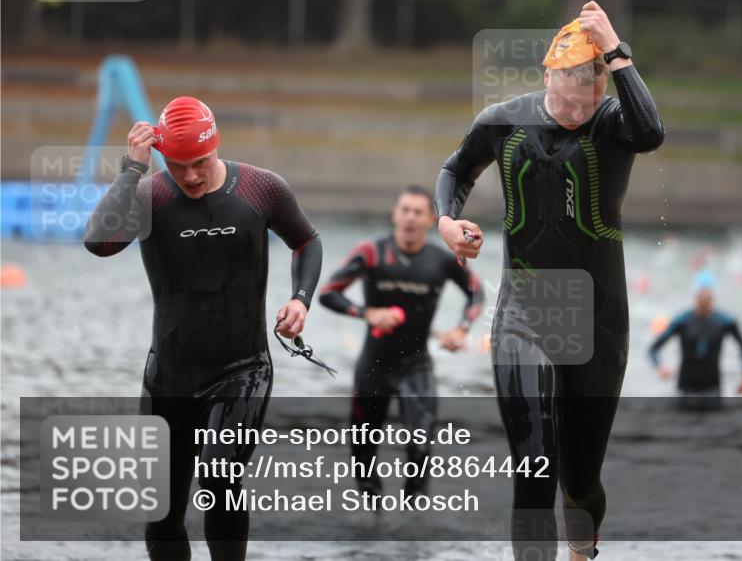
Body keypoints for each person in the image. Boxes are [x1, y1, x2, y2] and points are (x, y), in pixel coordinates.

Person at [434, 1, 663, 560]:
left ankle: (583, 552)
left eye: (584, 102)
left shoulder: (612, 122)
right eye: (562, 100)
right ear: (547, 77)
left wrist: (617, 48)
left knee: (580, 480)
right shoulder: (503, 120)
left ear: (602, 88)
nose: (571, 112)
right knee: (535, 465)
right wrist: (447, 220)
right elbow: (454, 171)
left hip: (598, 321)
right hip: (525, 316)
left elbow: (652, 132)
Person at [84, 97, 322, 561]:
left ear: (216, 147)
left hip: (242, 369)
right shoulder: (150, 194)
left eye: (200, 163)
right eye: (177, 166)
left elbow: (306, 241)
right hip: (168, 375)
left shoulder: (260, 188)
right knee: (163, 509)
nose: (190, 176)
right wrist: (132, 169)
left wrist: (300, 298)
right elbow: (99, 242)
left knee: (220, 478)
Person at [318, 185, 484, 500]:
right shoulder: (371, 253)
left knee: (420, 448)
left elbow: (477, 292)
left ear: (430, 219)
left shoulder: (443, 260)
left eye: (417, 212)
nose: (409, 218)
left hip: (416, 367)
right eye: (404, 210)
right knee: (363, 452)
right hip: (373, 367)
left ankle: (413, 523)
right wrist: (367, 313)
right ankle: (373, 522)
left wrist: (461, 329)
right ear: (395, 215)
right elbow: (328, 293)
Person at [648, 270, 742, 409]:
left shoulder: (725, 321)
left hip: (712, 388)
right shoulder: (682, 321)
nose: (703, 300)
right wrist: (660, 367)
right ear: (695, 297)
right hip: (686, 387)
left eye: (706, 296)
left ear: (712, 297)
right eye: (700, 296)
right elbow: (653, 349)